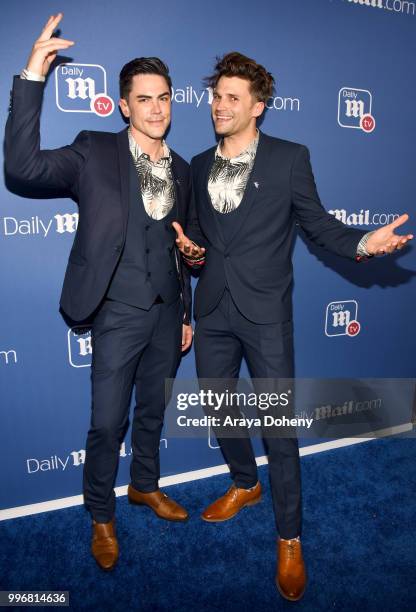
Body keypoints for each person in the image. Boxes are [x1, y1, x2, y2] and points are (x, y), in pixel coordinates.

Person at [174, 52, 412, 601]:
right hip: (213, 310)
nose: (220, 106)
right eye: (217, 96)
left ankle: (290, 537)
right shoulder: (197, 163)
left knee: (278, 431)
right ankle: (244, 483)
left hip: (265, 315)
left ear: (258, 107)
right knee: (219, 407)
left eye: (234, 98)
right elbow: (202, 245)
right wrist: (190, 252)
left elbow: (319, 225)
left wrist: (361, 243)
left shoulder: (288, 159)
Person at [4, 14, 194, 571]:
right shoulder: (93, 151)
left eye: (164, 97)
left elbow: (176, 244)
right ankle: (101, 515)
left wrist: (184, 308)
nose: (157, 108)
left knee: (153, 411)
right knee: (108, 422)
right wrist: (33, 75)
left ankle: (145, 486)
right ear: (123, 106)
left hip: (166, 315)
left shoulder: (181, 169)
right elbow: (22, 166)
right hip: (116, 313)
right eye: (145, 99)